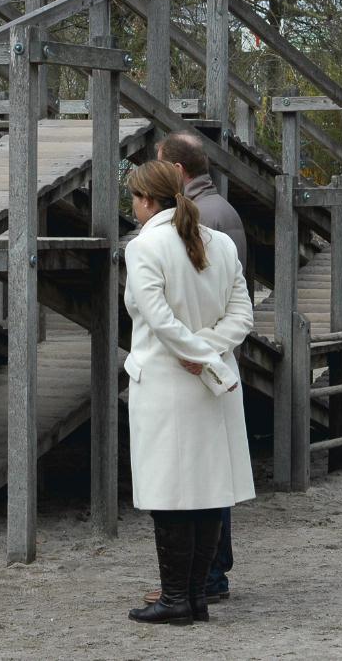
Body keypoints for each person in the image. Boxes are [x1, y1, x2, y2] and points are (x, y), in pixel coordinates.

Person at [123, 160, 255, 626]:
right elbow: (242, 315)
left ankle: (177, 597)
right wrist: (212, 355)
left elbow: (159, 321)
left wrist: (194, 355)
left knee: (170, 494)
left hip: (167, 382)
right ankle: (195, 596)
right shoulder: (219, 243)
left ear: (145, 200)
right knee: (207, 489)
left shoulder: (144, 247)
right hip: (216, 383)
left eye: (133, 199)